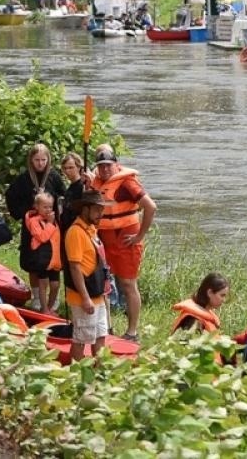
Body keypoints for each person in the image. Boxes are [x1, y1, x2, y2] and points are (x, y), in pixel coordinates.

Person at [90, 145, 156, 343]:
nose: (105, 170)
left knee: (128, 284)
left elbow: (150, 207)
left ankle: (132, 332)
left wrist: (139, 236)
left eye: (108, 166)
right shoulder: (95, 181)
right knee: (103, 283)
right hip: (104, 239)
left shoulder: (127, 183)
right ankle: (106, 327)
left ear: (115, 165)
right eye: (101, 166)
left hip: (126, 239)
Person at [63, 188, 112, 362]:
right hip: (83, 296)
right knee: (81, 339)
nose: (101, 213)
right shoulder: (75, 232)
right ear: (85, 209)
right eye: (97, 209)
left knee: (100, 335)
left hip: (97, 294)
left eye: (102, 209)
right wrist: (85, 298)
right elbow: (74, 268)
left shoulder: (91, 229)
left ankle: (99, 371)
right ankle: (75, 372)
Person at [19, 190, 62, 312]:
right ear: (36, 207)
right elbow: (42, 237)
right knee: (43, 283)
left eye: (50, 207)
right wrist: (49, 223)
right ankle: (44, 309)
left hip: (54, 259)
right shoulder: (34, 221)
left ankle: (50, 307)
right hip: (42, 259)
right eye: (45, 207)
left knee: (55, 285)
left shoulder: (53, 219)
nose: (48, 210)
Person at [4, 143, 67, 224]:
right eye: (37, 160)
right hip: (30, 225)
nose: (40, 163)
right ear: (31, 160)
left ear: (48, 160)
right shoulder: (24, 178)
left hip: (50, 223)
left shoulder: (54, 177)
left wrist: (48, 197)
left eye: (43, 160)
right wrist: (24, 211)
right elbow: (10, 196)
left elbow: (63, 197)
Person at [57, 150, 88, 231]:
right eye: (65, 168)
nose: (67, 171)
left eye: (71, 167)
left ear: (78, 167)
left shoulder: (83, 187)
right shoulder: (70, 188)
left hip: (78, 230)